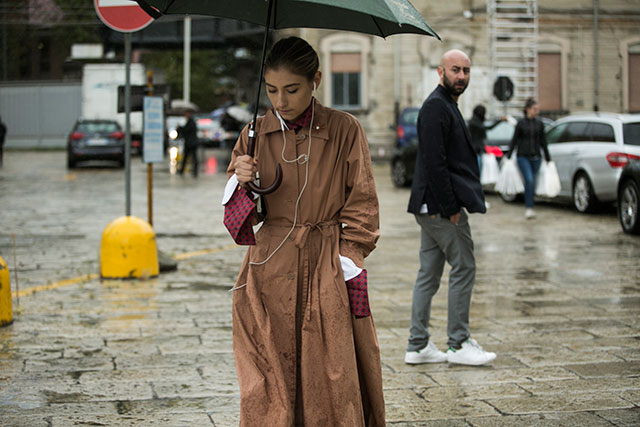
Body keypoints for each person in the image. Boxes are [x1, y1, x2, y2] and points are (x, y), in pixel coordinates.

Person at [225, 37, 385, 426]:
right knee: (266, 374)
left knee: (333, 373)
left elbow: (363, 203)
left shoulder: (346, 130)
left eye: (292, 89)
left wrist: (347, 258)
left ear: (315, 80)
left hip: (328, 267)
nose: (281, 101)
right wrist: (240, 180)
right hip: (268, 269)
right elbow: (239, 223)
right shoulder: (253, 134)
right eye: (272, 89)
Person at [405, 49, 497, 366]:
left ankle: (418, 345)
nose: (461, 76)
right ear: (440, 72)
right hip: (440, 207)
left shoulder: (446, 105)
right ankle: (458, 344)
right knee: (465, 267)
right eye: (455, 70)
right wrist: (450, 207)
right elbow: (435, 163)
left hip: (431, 207)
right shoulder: (435, 107)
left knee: (428, 275)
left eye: (466, 71)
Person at [506, 98, 551, 219]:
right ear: (527, 110)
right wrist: (509, 156)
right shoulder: (521, 124)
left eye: (538, 109)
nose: (536, 111)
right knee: (529, 180)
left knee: (532, 182)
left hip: (536, 157)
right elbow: (514, 140)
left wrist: (548, 158)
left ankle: (529, 201)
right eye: (534, 109)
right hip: (523, 157)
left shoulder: (539, 124)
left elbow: (543, 142)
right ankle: (529, 207)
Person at [467, 104, 504, 175]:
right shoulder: (475, 123)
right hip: (476, 151)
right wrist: (500, 120)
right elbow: (488, 127)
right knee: (477, 172)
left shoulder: (473, 122)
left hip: (476, 150)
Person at [177, 109, 199, 177]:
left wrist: (180, 128)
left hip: (191, 143)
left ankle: (193, 171)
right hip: (189, 143)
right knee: (187, 157)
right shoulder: (190, 122)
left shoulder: (191, 122)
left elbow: (186, 130)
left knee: (193, 158)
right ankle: (182, 170)